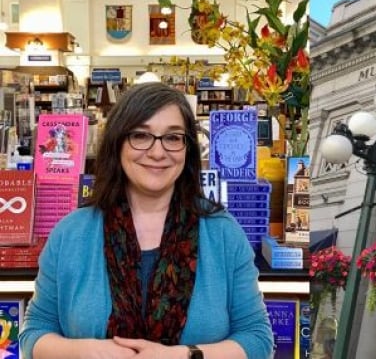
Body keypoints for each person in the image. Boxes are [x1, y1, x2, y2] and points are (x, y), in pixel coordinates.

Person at [20, 82, 274, 359]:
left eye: (173, 137)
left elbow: (257, 339)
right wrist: (82, 351)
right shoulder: (70, 234)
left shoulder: (222, 233)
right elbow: (35, 332)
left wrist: (183, 356)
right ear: (117, 143)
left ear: (187, 148)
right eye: (141, 136)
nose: (157, 152)